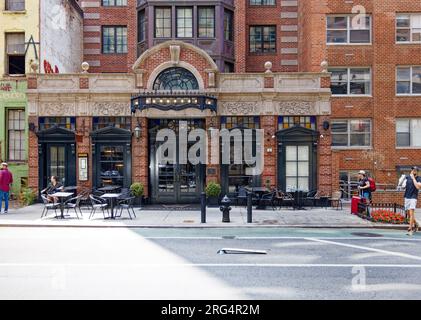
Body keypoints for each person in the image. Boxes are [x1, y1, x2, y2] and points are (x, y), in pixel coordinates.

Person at [403, 166, 421, 236]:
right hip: (407, 196)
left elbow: (418, 187)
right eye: (413, 170)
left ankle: (410, 229)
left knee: (411, 213)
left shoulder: (419, 178)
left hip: (413, 197)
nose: (414, 171)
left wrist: (413, 178)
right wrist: (402, 181)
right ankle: (416, 224)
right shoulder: (407, 178)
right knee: (408, 213)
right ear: (411, 171)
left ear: (417, 171)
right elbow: (403, 186)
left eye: (415, 170)